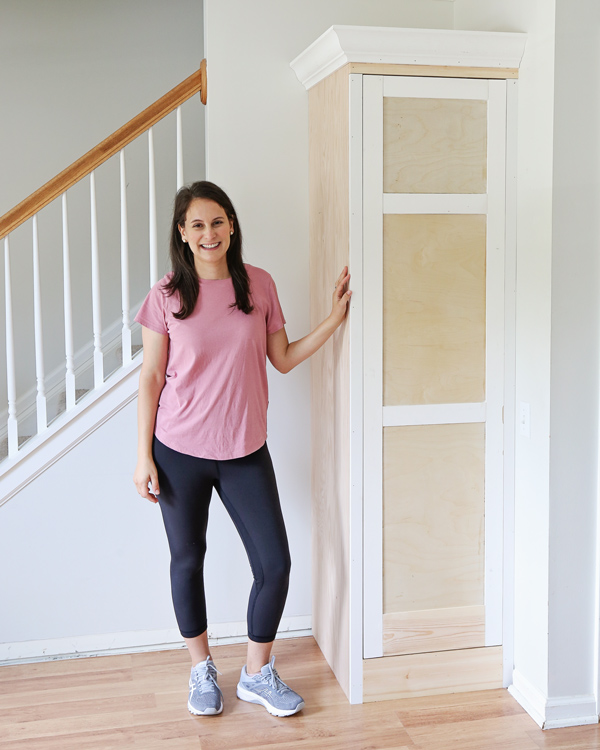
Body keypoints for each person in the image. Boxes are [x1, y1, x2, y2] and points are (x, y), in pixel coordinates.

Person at [133, 181, 351, 718]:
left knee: (274, 563)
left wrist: (333, 320)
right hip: (178, 450)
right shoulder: (166, 295)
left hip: (245, 450)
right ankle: (201, 668)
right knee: (188, 560)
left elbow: (281, 357)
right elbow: (152, 378)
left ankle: (256, 673)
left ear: (232, 225)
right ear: (182, 234)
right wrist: (143, 457)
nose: (210, 233)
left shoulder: (259, 285)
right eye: (198, 225)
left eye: (218, 222)